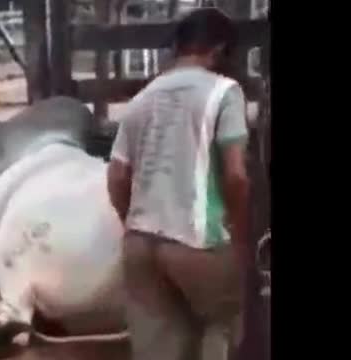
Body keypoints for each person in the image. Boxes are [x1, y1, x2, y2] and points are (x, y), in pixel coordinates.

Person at [107, 8, 250, 360]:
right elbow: (235, 174)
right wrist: (240, 232)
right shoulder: (224, 92)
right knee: (222, 323)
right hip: (198, 243)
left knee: (158, 348)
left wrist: (134, 221)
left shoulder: (143, 97)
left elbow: (116, 176)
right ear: (219, 51)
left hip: (141, 246)